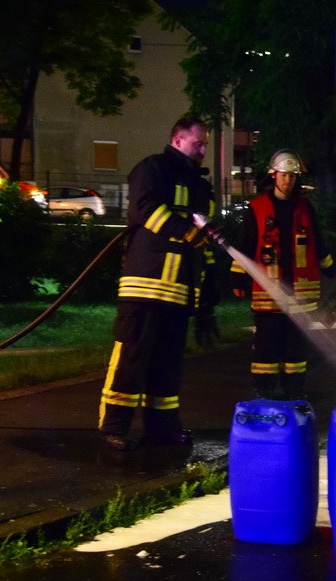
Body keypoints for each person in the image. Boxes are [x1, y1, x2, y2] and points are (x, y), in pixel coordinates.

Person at [98, 115, 217, 452]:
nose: (203, 150)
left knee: (167, 365)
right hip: (144, 286)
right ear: (178, 139)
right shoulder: (153, 169)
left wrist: (207, 290)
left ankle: (162, 428)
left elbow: (204, 239)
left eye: (205, 144)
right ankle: (114, 427)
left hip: (179, 291)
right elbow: (144, 208)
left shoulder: (201, 186)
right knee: (132, 358)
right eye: (198, 143)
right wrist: (183, 231)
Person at [230, 149, 336, 400]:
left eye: (292, 175)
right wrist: (237, 278)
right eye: (283, 175)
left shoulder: (305, 208)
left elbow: (318, 243)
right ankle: (265, 392)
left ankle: (294, 390)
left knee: (295, 349)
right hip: (269, 294)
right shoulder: (257, 208)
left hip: (299, 295)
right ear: (273, 175)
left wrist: (333, 269)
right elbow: (245, 246)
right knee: (266, 347)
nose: (287, 180)